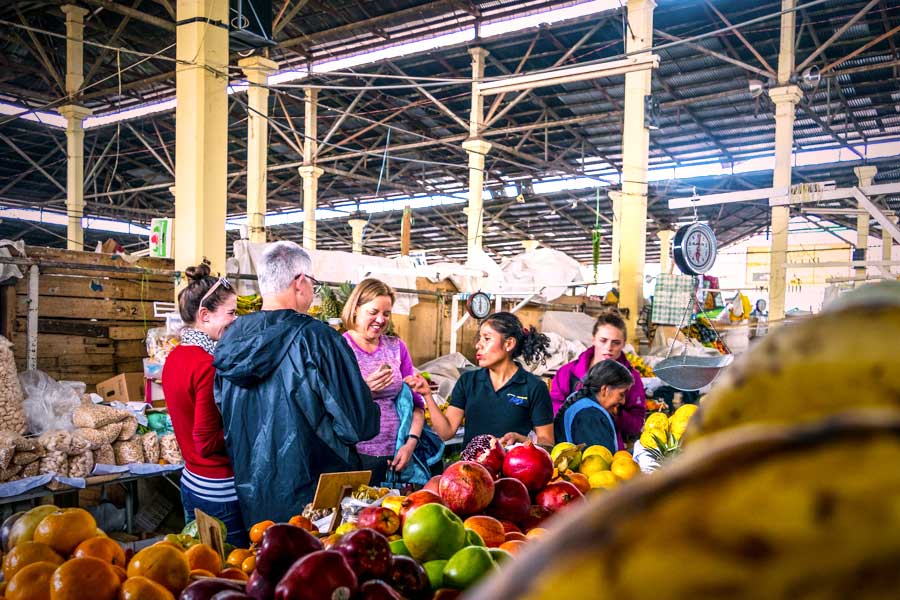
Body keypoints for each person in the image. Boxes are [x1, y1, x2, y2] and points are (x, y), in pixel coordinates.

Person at [213, 242, 380, 525]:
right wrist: (363, 394)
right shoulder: (318, 339)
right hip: (316, 501)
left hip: (255, 495)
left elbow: (224, 410)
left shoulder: (230, 339)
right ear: (300, 282)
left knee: (266, 562)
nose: (313, 290)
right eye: (312, 282)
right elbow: (358, 425)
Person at [161, 261, 248, 546]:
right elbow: (207, 440)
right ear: (205, 315)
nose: (236, 320)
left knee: (200, 565)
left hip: (191, 481)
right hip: (218, 490)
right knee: (229, 571)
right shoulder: (207, 365)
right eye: (231, 313)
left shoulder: (175, 356)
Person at [409, 312, 554, 447]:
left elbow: (547, 443)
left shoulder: (534, 387)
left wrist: (522, 440)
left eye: (487, 338)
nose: (478, 345)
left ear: (509, 344)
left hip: (514, 471)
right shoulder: (467, 382)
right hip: (472, 470)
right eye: (479, 338)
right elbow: (446, 433)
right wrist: (427, 395)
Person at [341, 278, 426, 485]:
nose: (381, 319)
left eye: (386, 313)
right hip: (356, 457)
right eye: (373, 312)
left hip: (397, 455)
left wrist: (410, 444)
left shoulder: (396, 347)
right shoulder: (340, 347)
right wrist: (365, 392)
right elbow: (332, 407)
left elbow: (416, 404)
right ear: (355, 310)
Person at [550, 311, 646, 450]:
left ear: (624, 344)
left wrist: (613, 410)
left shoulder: (632, 378)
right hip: (569, 449)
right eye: (603, 340)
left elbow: (636, 424)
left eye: (616, 342)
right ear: (593, 339)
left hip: (609, 448)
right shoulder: (567, 373)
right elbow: (553, 411)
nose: (609, 347)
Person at [553, 359, 634, 453]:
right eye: (621, 394)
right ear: (605, 389)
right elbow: (600, 460)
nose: (623, 401)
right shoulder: (590, 416)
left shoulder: (584, 403)